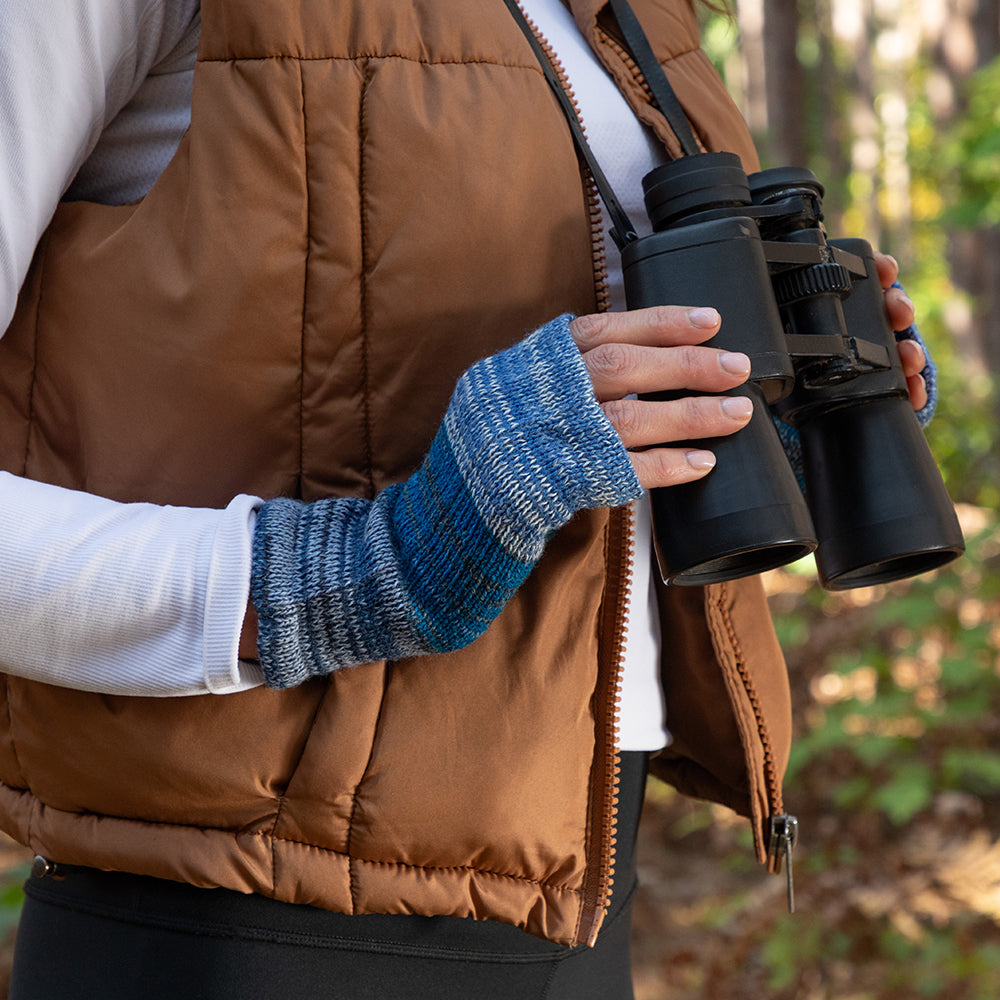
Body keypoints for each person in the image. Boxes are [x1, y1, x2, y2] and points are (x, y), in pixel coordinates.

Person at [0, 1, 932, 996]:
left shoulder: (625, 13)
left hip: (572, 904)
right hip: (237, 928)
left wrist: (764, 405)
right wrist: (356, 571)